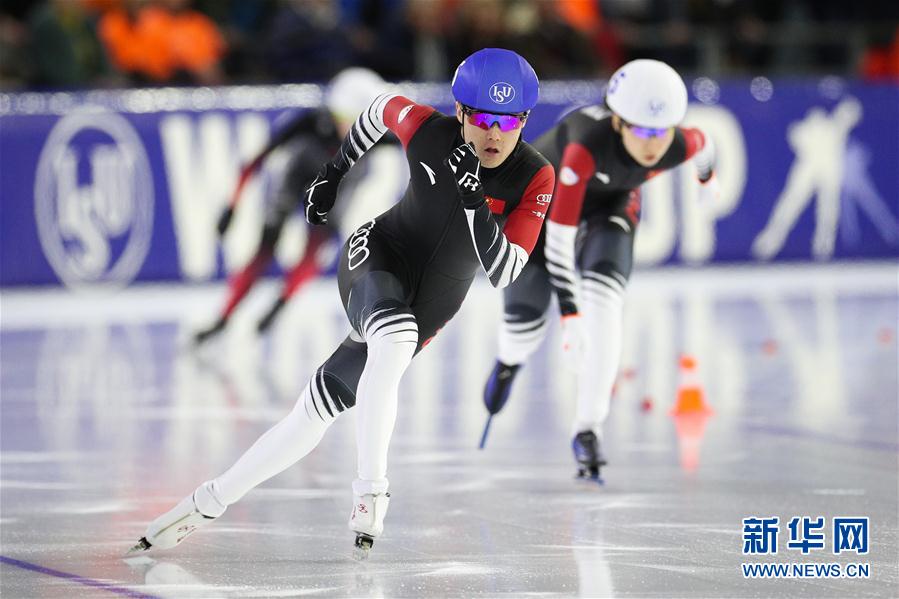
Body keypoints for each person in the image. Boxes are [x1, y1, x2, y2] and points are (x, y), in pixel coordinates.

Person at [129, 48, 555, 558]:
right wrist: (333, 173)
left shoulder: (535, 176)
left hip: (434, 302)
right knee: (392, 341)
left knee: (312, 414)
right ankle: (371, 491)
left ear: (525, 121)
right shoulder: (427, 129)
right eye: (483, 119)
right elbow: (378, 108)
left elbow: (504, 270)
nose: (494, 135)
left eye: (509, 123)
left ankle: (205, 503)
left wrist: (473, 202)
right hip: (378, 256)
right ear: (461, 112)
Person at [479, 59, 718, 481]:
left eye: (661, 131)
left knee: (605, 306)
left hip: (610, 207)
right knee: (524, 330)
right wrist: (569, 316)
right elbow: (557, 243)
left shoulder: (679, 142)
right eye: (641, 130)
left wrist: (706, 180)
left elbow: (705, 146)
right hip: (536, 213)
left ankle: (588, 428)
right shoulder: (584, 148)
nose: (652, 145)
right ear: (618, 122)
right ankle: (508, 361)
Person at [194, 67, 405, 342]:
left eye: (363, 126)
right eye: (348, 121)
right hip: (298, 177)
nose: (353, 132)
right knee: (266, 244)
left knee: (317, 245)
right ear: (334, 113)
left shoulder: (378, 137)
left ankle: (281, 302)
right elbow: (257, 159)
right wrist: (231, 207)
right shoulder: (311, 123)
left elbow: (429, 141)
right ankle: (224, 318)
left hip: (337, 188)